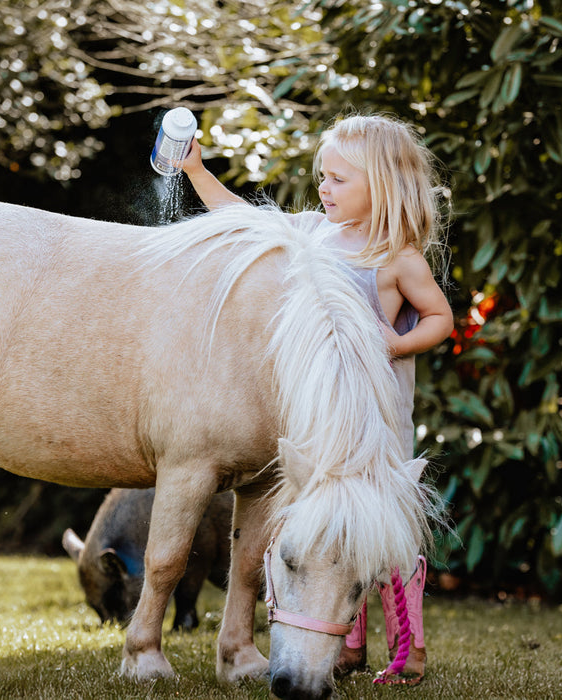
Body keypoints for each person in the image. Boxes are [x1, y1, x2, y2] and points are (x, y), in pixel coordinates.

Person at [181, 113, 454, 686]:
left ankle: (411, 650)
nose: (323, 188)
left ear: (380, 185)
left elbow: (440, 318)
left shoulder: (395, 255)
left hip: (376, 424)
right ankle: (346, 645)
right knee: (331, 532)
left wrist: (398, 342)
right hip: (321, 424)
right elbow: (244, 221)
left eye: (337, 179)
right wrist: (196, 171)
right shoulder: (312, 233)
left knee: (383, 530)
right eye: (322, 177)